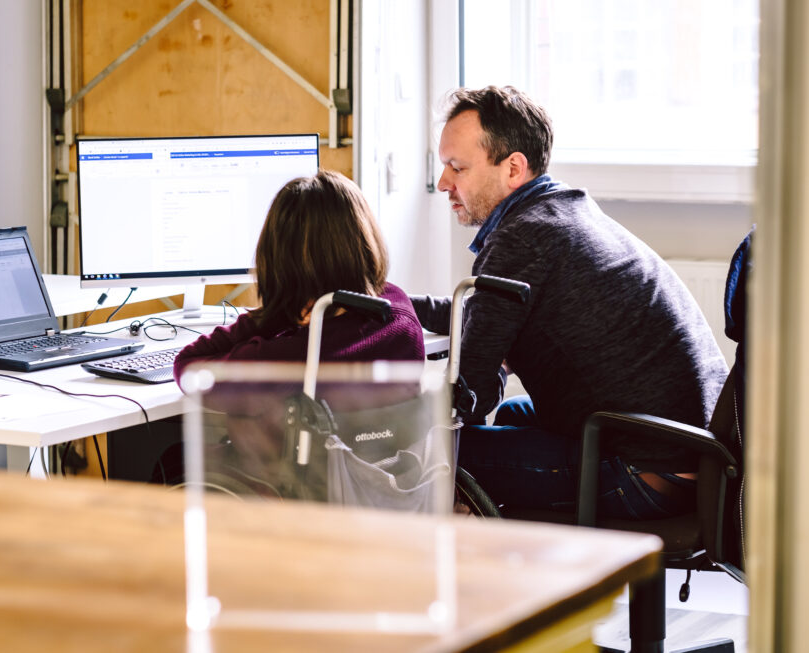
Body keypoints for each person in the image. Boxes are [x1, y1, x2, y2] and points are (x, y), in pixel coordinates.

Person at [411, 86, 728, 520]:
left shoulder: (521, 238)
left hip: (646, 472)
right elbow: (480, 311)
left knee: (436, 453)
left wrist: (392, 411)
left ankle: (514, 578)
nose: (444, 182)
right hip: (696, 456)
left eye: (457, 167)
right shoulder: (560, 212)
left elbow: (470, 392)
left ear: (513, 168)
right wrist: (391, 303)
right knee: (513, 415)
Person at [174, 169, 424, 378]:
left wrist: (277, 314)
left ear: (279, 265)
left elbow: (189, 364)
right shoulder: (400, 315)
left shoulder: (285, 358)